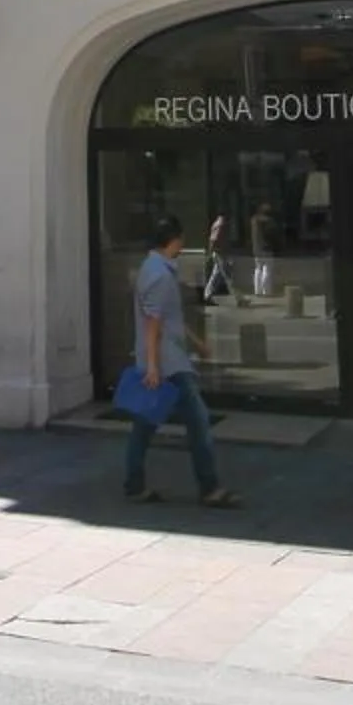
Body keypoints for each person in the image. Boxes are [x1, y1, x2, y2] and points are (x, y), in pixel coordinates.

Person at [125, 215, 239, 509]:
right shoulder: (160, 275)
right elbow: (153, 322)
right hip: (169, 364)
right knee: (198, 422)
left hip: (164, 359)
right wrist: (152, 366)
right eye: (181, 240)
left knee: (144, 425)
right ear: (173, 240)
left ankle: (133, 484)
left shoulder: (152, 269)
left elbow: (165, 318)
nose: (183, 245)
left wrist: (196, 343)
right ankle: (209, 487)